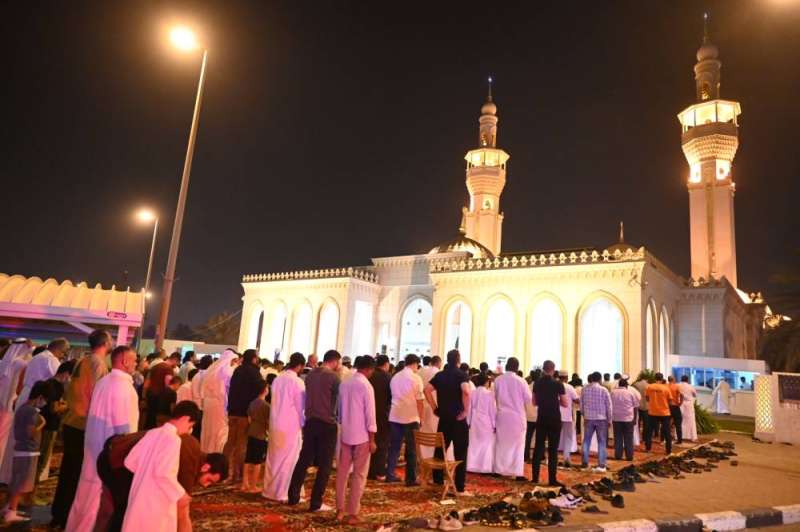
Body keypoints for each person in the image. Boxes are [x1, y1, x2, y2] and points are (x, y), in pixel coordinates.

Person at [94, 410, 228, 532]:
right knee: (125, 512)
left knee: (115, 512)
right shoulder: (189, 459)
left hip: (113, 454)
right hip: (115, 462)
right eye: (209, 480)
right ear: (206, 467)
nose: (205, 485)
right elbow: (182, 510)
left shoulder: (191, 447)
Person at [65, 345, 140, 532]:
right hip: (109, 453)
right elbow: (124, 429)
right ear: (125, 361)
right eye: (134, 360)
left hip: (93, 444)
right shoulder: (124, 388)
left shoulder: (103, 381)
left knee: (86, 491)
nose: (136, 364)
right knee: (101, 499)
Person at [51, 329, 113, 529]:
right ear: (105, 343)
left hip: (72, 420)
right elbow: (97, 394)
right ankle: (68, 516)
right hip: (83, 423)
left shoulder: (83, 360)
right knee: (77, 473)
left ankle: (59, 513)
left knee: (68, 470)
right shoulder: (98, 363)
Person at [121, 401, 200, 532]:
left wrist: (145, 474)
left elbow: (129, 462)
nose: (188, 431)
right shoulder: (173, 439)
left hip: (139, 495)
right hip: (156, 500)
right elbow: (163, 474)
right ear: (185, 418)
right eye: (190, 426)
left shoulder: (152, 433)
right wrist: (181, 494)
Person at [287, 349, 341, 511]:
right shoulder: (333, 377)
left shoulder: (310, 375)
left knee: (304, 459)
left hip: (310, 421)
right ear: (335, 361)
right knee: (325, 464)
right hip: (327, 423)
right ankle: (316, 502)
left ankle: (293, 496)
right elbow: (338, 401)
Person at [336, 355, 377, 525]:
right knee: (359, 475)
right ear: (368, 369)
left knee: (342, 473)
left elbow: (339, 410)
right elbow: (370, 415)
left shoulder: (345, 383)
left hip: (345, 433)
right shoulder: (366, 385)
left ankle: (339, 509)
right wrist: (372, 439)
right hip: (362, 436)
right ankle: (352, 513)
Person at [426, 349, 471, 494]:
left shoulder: (440, 375)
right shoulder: (462, 375)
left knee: (440, 450)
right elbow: (466, 391)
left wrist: (435, 408)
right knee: (461, 452)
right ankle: (459, 486)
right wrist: (465, 411)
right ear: (458, 360)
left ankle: (438, 480)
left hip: (444, 418)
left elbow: (427, 390)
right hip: (458, 419)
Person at [262, 352, 306, 502]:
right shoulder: (297, 382)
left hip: (275, 421)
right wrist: (303, 424)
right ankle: (283, 492)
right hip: (290, 424)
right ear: (300, 366)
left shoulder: (278, 379)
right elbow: (300, 407)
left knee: (274, 457)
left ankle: (270, 490)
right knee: (288, 459)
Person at [3, 380, 48, 523]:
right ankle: (12, 511)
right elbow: (31, 433)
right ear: (40, 397)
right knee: (21, 483)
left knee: (16, 480)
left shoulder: (23, 407)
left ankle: (9, 507)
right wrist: (42, 424)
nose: (45, 403)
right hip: (27, 451)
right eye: (45, 399)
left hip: (20, 449)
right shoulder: (31, 412)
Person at [224, 349, 265, 483]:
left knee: (230, 442)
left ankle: (225, 471)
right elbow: (259, 391)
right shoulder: (254, 372)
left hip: (232, 411)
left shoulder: (238, 370)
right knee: (241, 444)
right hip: (244, 413)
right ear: (253, 359)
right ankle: (237, 474)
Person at [386, 354, 424, 486]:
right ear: (415, 364)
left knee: (394, 447)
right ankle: (410, 479)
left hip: (395, 415)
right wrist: (421, 417)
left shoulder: (395, 376)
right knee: (411, 449)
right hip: (411, 417)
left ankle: (390, 474)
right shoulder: (416, 378)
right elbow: (420, 401)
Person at [493, 357, 531, 480]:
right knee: (518, 446)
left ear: (506, 366)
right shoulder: (521, 381)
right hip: (517, 416)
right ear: (517, 368)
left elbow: (494, 397)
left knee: (501, 443)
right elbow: (528, 399)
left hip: (502, 416)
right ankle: (516, 472)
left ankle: (498, 470)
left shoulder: (498, 380)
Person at [532, 360, 567, 486]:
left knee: (538, 448)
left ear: (543, 368)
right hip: (554, 418)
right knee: (553, 450)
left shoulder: (537, 383)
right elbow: (565, 403)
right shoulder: (558, 384)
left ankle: (535, 478)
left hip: (541, 417)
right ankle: (552, 479)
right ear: (553, 369)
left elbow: (534, 402)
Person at [0, 339, 33, 471]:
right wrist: (31, 348)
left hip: (2, 402)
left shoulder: (4, 363)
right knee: (3, 436)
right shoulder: (21, 363)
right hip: (9, 405)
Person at [200, 349, 239, 453]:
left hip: (208, 403)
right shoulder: (227, 370)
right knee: (219, 429)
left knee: (208, 427)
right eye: (235, 361)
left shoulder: (212, 370)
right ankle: (216, 451)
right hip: (219, 403)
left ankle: (206, 450)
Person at [16, 338, 69, 405]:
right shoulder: (51, 359)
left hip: (25, 393)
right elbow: (59, 379)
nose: (63, 356)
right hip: (35, 397)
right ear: (57, 349)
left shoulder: (39, 356)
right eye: (63, 352)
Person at [580, 372, 612, 472]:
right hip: (601, 419)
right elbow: (609, 406)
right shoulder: (603, 390)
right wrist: (609, 419)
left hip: (589, 418)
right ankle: (601, 465)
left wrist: (584, 415)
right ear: (600, 379)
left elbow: (581, 404)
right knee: (601, 442)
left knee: (586, 441)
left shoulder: (584, 389)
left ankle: (584, 463)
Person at [242, 379, 269, 493]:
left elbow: (249, 418)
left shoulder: (252, 403)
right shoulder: (266, 406)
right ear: (265, 390)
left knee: (248, 459)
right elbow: (268, 422)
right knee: (257, 461)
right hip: (260, 434)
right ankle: (253, 486)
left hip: (251, 432)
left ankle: (244, 483)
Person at [368, 354, 392, 480]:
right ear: (386, 364)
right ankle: (380, 471)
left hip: (368, 413)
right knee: (382, 444)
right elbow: (391, 398)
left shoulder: (370, 376)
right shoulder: (388, 377)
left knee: (369, 441)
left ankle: (369, 470)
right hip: (383, 414)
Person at [466, 373, 496, 473]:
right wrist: (494, 424)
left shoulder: (472, 392)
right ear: (486, 382)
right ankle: (484, 467)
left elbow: (469, 409)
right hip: (486, 420)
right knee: (486, 444)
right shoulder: (489, 394)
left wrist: (468, 422)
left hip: (474, 420)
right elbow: (492, 411)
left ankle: (471, 465)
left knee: (474, 443)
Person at [144, 352, 180, 429]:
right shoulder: (168, 369)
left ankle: (146, 431)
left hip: (150, 393)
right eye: (177, 362)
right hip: (159, 396)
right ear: (175, 359)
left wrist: (144, 395)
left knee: (150, 417)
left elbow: (147, 382)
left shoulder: (156, 366)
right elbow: (168, 385)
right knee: (157, 420)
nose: (176, 365)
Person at [418, 355, 442, 460]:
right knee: (434, 432)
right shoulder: (438, 373)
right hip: (434, 405)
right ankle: (433, 458)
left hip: (421, 404)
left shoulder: (420, 371)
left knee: (422, 432)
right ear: (439, 363)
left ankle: (422, 457)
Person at [611, 376, 639, 461]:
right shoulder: (630, 393)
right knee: (628, 438)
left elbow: (609, 405)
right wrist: (634, 418)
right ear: (626, 385)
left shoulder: (613, 393)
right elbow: (635, 406)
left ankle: (618, 455)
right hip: (628, 419)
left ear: (619, 385)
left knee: (618, 437)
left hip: (616, 418)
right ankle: (629, 456)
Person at [645, 372, 673, 455]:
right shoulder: (666, 388)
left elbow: (647, 398)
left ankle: (648, 448)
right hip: (664, 413)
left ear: (655, 378)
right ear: (662, 378)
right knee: (667, 432)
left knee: (649, 431)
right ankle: (668, 450)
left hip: (652, 412)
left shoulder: (650, 387)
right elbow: (670, 401)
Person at [557, 371, 579, 466]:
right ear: (566, 378)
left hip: (556, 415)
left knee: (555, 437)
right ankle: (566, 458)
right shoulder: (569, 387)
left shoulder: (554, 385)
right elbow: (576, 399)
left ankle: (554, 458)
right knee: (568, 437)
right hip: (567, 416)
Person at [191, 355, 213, 438]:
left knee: (196, 431)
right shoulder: (207, 375)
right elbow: (203, 393)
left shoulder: (196, 375)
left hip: (196, 405)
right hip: (203, 406)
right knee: (201, 431)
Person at [678, 375, 698, 442]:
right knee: (691, 420)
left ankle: (679, 436)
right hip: (689, 405)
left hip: (680, 403)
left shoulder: (678, 385)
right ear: (687, 380)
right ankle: (692, 437)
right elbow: (695, 394)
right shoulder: (690, 386)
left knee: (680, 420)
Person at [667, 376, 684, 444]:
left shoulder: (665, 386)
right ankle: (679, 440)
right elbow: (682, 395)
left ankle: (665, 438)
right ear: (673, 380)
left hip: (667, 406)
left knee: (666, 423)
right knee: (678, 424)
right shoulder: (677, 386)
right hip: (675, 406)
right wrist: (680, 403)